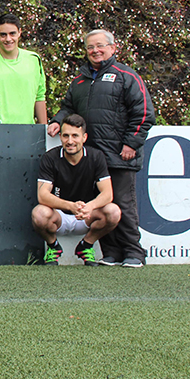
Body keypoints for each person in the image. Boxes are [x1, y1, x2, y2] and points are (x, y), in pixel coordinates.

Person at [48, 29, 155, 268]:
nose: (95, 51)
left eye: (100, 46)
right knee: (102, 207)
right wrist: (57, 120)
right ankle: (112, 253)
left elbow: (145, 113)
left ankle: (134, 253)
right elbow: (68, 108)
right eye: (90, 47)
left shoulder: (127, 75)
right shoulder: (80, 80)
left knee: (123, 205)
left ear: (112, 48)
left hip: (119, 155)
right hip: (93, 159)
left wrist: (131, 143)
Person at [33, 114, 121, 265]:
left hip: (86, 215)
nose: (70, 141)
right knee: (39, 214)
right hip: (59, 216)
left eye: (75, 136)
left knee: (113, 212)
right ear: (60, 137)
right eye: (66, 136)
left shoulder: (96, 156)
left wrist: (89, 207)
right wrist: (70, 206)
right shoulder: (50, 158)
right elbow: (42, 196)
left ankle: (86, 245)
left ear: (84, 137)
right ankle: (53, 246)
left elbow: (108, 194)